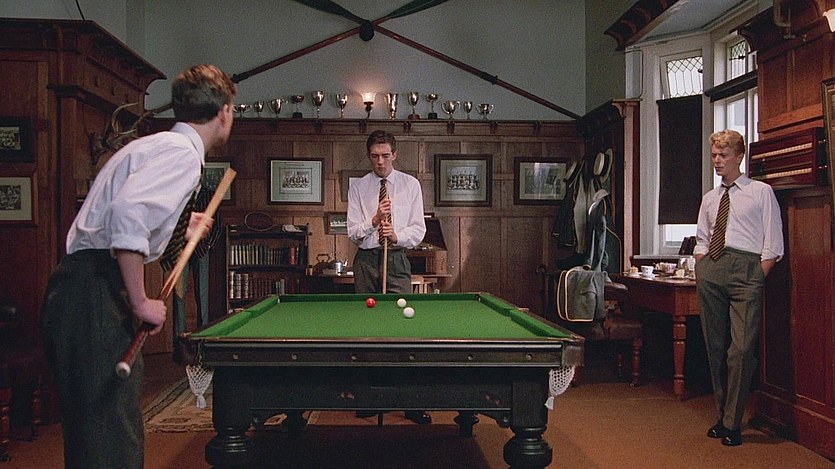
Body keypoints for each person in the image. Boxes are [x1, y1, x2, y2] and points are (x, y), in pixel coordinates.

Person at [39, 64, 236, 468]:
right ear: (224, 111)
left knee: (94, 434)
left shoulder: (151, 145)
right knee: (111, 437)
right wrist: (140, 301)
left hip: (77, 287)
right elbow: (127, 214)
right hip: (96, 291)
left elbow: (123, 210)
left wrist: (181, 223)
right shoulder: (182, 155)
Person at [693, 129, 784, 447]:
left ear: (739, 157)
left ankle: (733, 422)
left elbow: (773, 243)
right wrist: (702, 265)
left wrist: (757, 274)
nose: (717, 161)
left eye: (724, 155)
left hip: (747, 270)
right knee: (715, 347)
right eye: (714, 155)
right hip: (712, 269)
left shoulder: (760, 192)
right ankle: (723, 417)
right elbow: (702, 239)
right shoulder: (710, 198)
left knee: (741, 350)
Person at [346, 129, 429, 424]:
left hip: (396, 259)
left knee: (401, 330)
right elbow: (353, 232)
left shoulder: (410, 185)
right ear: (369, 156)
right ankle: (371, 397)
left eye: (385, 155)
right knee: (367, 330)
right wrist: (374, 220)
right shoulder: (358, 187)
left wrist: (396, 235)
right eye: (374, 156)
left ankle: (409, 401)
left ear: (394, 154)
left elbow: (418, 230)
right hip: (366, 261)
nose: (380, 161)